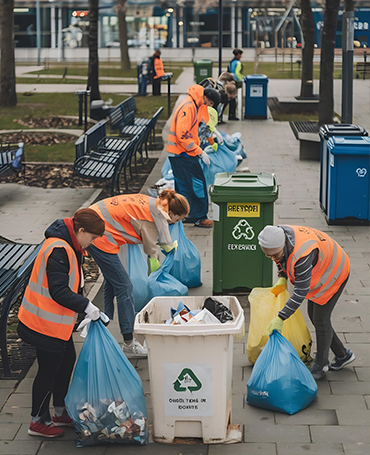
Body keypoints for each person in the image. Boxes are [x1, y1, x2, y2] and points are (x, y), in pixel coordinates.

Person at [17, 209, 106, 438]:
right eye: (93, 237)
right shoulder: (60, 249)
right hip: (44, 323)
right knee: (48, 370)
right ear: (81, 230)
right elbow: (58, 291)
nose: (93, 243)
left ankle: (58, 412)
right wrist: (87, 306)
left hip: (55, 322)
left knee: (66, 362)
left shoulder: (68, 244)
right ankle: (37, 421)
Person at [88, 191, 189, 355]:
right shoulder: (159, 215)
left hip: (95, 221)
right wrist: (165, 259)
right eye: (178, 218)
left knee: (112, 278)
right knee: (125, 287)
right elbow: (163, 242)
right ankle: (129, 343)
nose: (177, 222)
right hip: (97, 234)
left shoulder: (155, 203)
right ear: (171, 212)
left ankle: (104, 321)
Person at [258, 225, 355, 380]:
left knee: (320, 318)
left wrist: (281, 317)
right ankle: (343, 355)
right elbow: (281, 260)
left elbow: (300, 293)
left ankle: (321, 365)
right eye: (268, 255)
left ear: (283, 245)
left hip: (334, 270)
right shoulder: (279, 238)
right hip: (321, 268)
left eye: (275, 254)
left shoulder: (302, 255)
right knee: (315, 316)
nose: (273, 258)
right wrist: (282, 277)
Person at [167, 84, 218, 228]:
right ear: (205, 98)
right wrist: (199, 151)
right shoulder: (188, 107)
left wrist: (211, 141)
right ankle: (198, 217)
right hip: (183, 154)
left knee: (185, 186)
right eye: (210, 103)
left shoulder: (194, 105)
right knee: (197, 185)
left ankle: (182, 216)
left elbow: (202, 128)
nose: (209, 105)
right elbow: (182, 136)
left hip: (182, 154)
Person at [227, 48, 245, 120]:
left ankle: (230, 115)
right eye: (240, 54)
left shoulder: (231, 62)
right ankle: (232, 115)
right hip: (234, 82)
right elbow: (237, 73)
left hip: (229, 81)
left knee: (231, 99)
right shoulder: (238, 63)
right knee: (233, 99)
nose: (240, 56)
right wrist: (242, 78)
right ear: (237, 55)